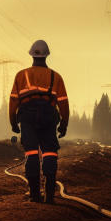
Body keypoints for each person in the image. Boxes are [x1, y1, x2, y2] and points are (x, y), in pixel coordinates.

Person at [9, 39, 68, 203]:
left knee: (31, 153)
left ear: (31, 55)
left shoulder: (21, 75)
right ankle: (49, 195)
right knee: (49, 152)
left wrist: (13, 122)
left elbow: (13, 101)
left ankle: (35, 195)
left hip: (27, 117)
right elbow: (63, 102)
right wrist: (64, 124)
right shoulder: (56, 77)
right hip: (49, 117)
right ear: (47, 55)